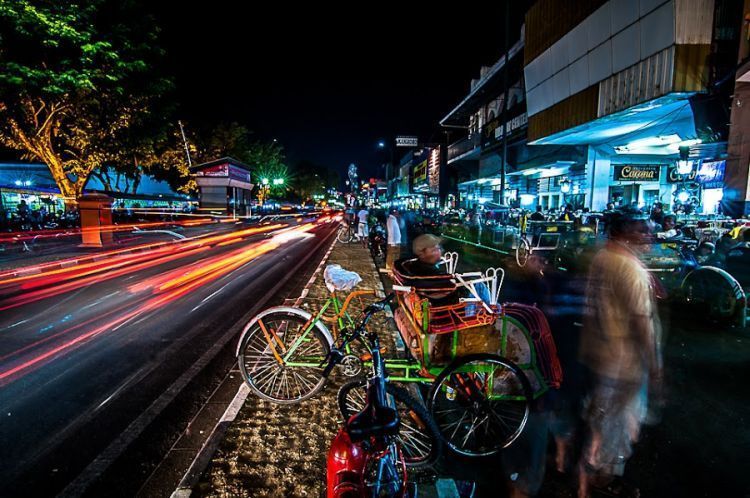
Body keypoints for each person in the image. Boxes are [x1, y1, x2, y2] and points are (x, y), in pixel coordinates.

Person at [578, 210, 663, 498]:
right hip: (623, 361)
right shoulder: (630, 269)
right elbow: (642, 322)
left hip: (599, 354)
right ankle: (604, 480)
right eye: (641, 230)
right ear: (624, 233)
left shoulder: (603, 257)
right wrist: (655, 366)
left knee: (601, 417)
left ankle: (590, 474)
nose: (647, 236)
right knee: (621, 424)